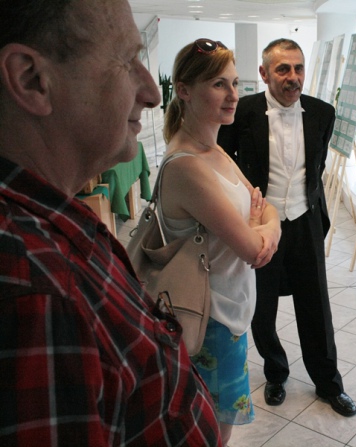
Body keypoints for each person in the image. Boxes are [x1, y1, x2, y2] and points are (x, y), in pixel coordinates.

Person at [0, 1, 221, 445]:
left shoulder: (49, 229)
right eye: (126, 60)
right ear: (31, 79)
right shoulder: (38, 288)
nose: (151, 92)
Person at [217, 38, 356, 417]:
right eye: (283, 69)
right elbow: (224, 162)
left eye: (298, 68)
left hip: (305, 220)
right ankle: (276, 372)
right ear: (264, 74)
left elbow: (316, 168)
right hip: (261, 224)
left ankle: (328, 384)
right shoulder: (242, 112)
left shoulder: (323, 113)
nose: (293, 77)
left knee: (316, 306)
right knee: (262, 307)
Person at [160, 39, 281, 445]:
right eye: (218, 84)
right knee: (210, 436)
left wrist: (265, 225)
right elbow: (251, 249)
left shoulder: (214, 151)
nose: (233, 95)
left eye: (234, 83)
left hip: (229, 313)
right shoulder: (187, 165)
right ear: (184, 90)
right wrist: (261, 227)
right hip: (207, 319)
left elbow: (267, 208)